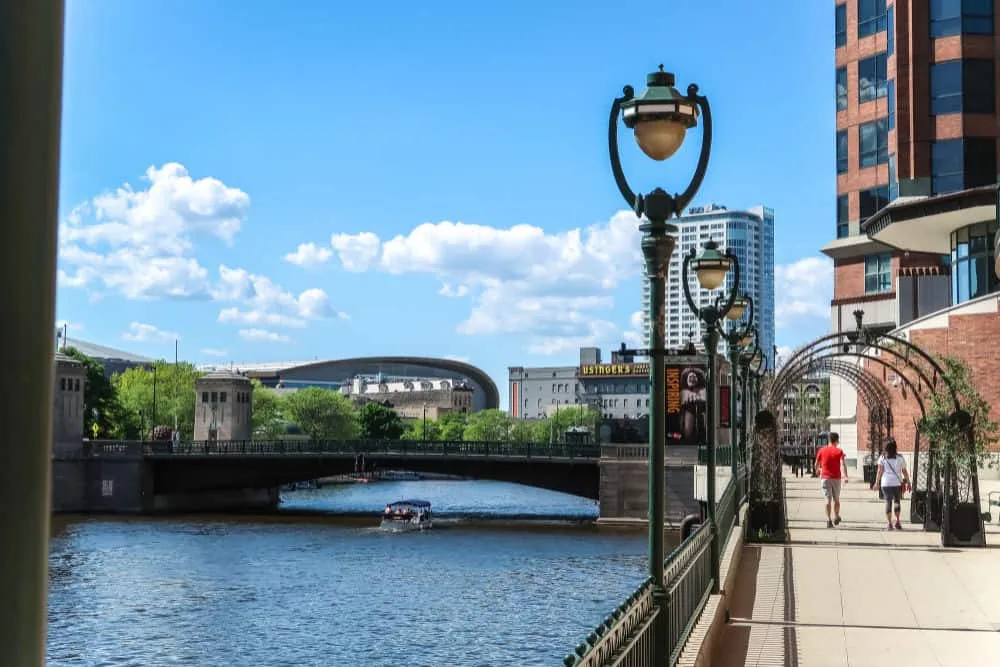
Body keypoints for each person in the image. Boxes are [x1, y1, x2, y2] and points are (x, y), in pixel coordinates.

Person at [814, 432, 849, 528]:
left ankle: (828, 519)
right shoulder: (839, 451)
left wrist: (817, 471)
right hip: (836, 478)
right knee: (836, 499)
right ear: (837, 441)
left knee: (827, 499)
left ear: (829, 440)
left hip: (825, 478)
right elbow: (842, 464)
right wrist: (845, 476)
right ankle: (836, 516)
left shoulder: (821, 450)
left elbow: (816, 463)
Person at [874, 438, 910, 530]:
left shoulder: (882, 458)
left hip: (885, 483)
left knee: (888, 502)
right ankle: (897, 521)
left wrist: (876, 482)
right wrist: (908, 482)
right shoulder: (900, 457)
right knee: (897, 501)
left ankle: (889, 524)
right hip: (897, 483)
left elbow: (879, 471)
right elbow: (904, 471)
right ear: (895, 447)